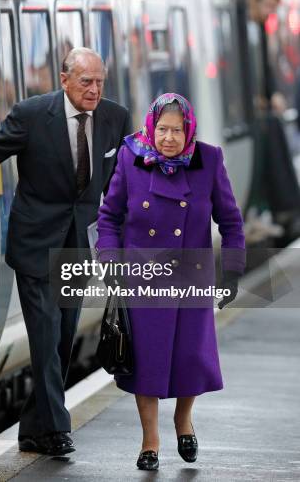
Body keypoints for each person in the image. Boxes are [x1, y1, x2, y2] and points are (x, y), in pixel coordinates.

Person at [0, 47, 131, 456]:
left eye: (100, 82)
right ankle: (56, 429)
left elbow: (123, 182)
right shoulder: (33, 114)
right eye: (86, 82)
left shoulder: (115, 117)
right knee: (44, 332)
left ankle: (34, 429)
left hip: (76, 246)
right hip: (36, 244)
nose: (94, 90)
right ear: (65, 79)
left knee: (61, 339)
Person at [96, 93, 245, 471]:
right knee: (146, 361)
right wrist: (111, 263)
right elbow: (109, 217)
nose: (168, 138)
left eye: (177, 131)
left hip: (191, 277)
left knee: (189, 358)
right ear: (151, 127)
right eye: (162, 129)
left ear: (189, 130)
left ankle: (183, 419)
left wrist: (232, 272)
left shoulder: (208, 159)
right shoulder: (131, 157)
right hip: (143, 278)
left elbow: (230, 221)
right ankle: (150, 441)